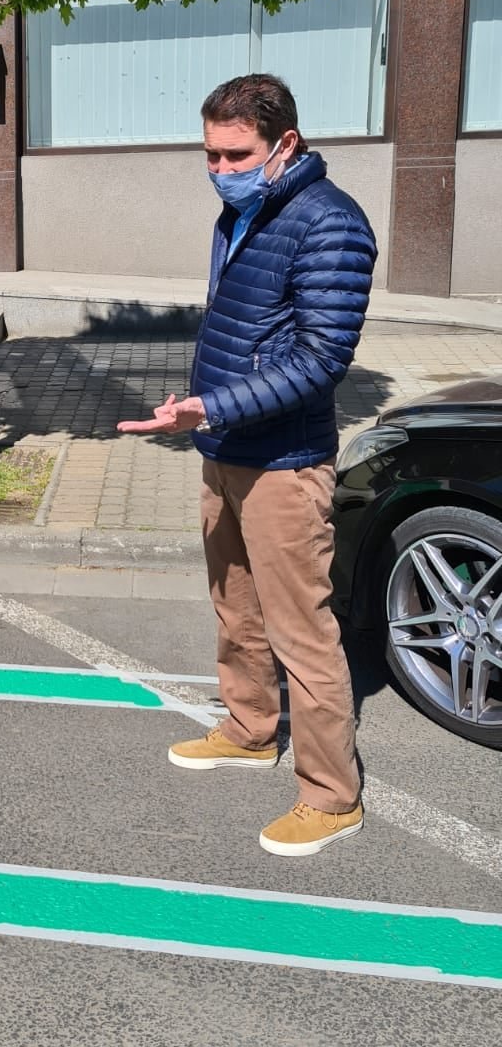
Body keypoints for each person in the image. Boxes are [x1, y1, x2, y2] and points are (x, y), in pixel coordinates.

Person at [118, 73, 377, 858]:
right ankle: (249, 728)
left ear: (284, 145)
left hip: (285, 464)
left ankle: (333, 798)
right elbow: (246, 331)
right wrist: (200, 404)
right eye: (210, 154)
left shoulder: (332, 225)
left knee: (304, 634)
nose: (220, 169)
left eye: (236, 154)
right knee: (234, 606)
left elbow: (322, 358)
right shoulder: (245, 209)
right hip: (224, 450)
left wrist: (217, 406)